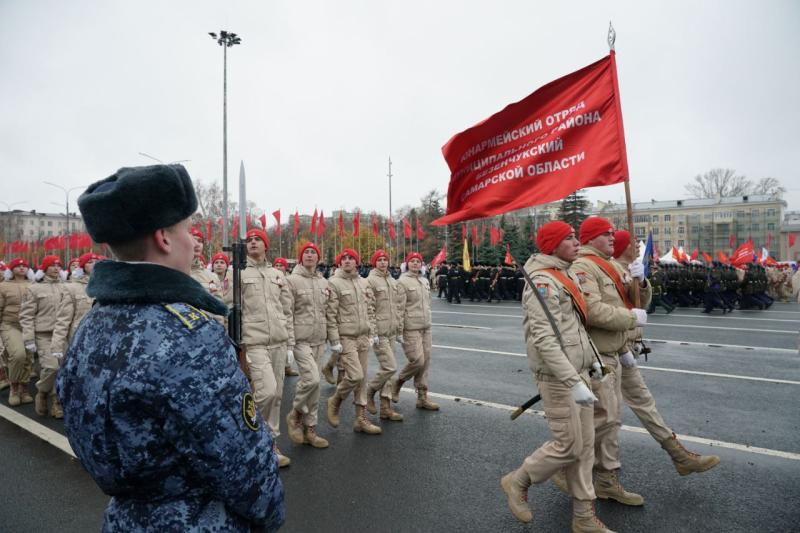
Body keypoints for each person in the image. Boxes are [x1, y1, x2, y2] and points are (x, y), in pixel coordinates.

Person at [56, 164, 284, 531]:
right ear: (164, 237)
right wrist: (271, 515)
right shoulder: (192, 337)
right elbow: (245, 471)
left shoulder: (91, 326)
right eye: (188, 230)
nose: (195, 241)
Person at [500, 221, 613, 531]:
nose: (577, 242)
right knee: (569, 446)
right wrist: (572, 381)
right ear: (552, 246)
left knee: (585, 449)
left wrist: (593, 360)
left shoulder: (565, 274)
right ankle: (519, 480)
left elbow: (576, 327)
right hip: (558, 377)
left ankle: (584, 517)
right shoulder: (543, 282)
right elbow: (545, 339)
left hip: (579, 372)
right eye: (569, 238)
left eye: (576, 236)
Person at [241, 228, 295, 467]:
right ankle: (249, 436)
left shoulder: (277, 275)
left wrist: (290, 343)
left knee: (277, 395)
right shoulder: (238, 272)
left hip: (279, 341)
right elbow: (229, 306)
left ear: (265, 245)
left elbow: (287, 310)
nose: (253, 243)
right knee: (267, 392)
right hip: (254, 341)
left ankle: (270, 442)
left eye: (257, 240)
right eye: (249, 240)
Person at [325, 248, 381, 435]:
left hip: (363, 336)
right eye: (344, 258)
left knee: (362, 380)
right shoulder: (333, 283)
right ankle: (336, 400)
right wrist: (334, 340)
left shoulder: (364, 283)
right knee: (355, 375)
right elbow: (330, 314)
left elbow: (370, 310)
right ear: (339, 263)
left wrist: (372, 332)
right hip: (345, 337)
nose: (347, 261)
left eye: (351, 258)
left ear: (356, 262)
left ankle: (361, 419)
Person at [284, 242, 331, 449]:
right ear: (301, 257)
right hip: (301, 339)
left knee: (316, 386)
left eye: (313, 253)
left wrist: (332, 337)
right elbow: (287, 313)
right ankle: (295, 414)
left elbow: (327, 311)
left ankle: (310, 429)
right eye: (306, 253)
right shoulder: (291, 281)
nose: (310, 256)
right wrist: (289, 344)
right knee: (311, 380)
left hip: (320, 339)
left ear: (318, 258)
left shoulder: (323, 282)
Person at [19, 254, 66, 418]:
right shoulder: (34, 289)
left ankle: (56, 403)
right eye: (52, 265)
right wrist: (28, 338)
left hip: (62, 335)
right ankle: (42, 391)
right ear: (44, 268)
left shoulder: (66, 287)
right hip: (43, 335)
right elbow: (26, 316)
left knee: (62, 370)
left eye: (58, 265)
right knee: (52, 367)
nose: (56, 268)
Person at [392, 252, 439, 411]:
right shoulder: (402, 282)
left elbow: (428, 304)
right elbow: (399, 308)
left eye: (418, 261)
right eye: (412, 261)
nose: (415, 264)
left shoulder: (424, 281)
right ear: (407, 264)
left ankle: (422, 397)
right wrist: (399, 330)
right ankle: (398, 381)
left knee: (425, 362)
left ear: (421, 265)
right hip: (410, 327)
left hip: (426, 327)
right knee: (417, 361)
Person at [365, 249, 404, 422]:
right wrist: (372, 332)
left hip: (391, 331)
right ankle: (370, 391)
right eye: (379, 260)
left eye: (385, 259)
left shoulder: (392, 280)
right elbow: (369, 309)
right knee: (390, 367)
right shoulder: (370, 281)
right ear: (374, 263)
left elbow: (397, 307)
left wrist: (399, 329)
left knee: (388, 371)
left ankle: (386, 408)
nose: (382, 262)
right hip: (379, 332)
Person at [50, 252, 101, 368]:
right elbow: (63, 319)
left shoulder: (105, 287)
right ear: (82, 266)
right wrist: (57, 346)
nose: (94, 264)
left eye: (96, 262)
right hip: (78, 339)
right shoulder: (71, 288)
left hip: (100, 338)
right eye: (90, 262)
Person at [0, 258, 34, 406]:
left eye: (24, 266)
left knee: (28, 357)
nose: (21, 268)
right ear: (11, 270)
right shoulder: (3, 286)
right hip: (10, 325)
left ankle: (24, 388)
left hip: (29, 326)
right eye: (18, 266)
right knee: (18, 354)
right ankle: (14, 387)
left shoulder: (34, 285)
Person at [272, 257, 300, 378]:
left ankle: (287, 366)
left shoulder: (290, 280)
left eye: (281, 265)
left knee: (289, 339)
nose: (278, 268)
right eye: (276, 265)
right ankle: (281, 366)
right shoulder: (272, 279)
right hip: (279, 314)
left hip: (293, 312)